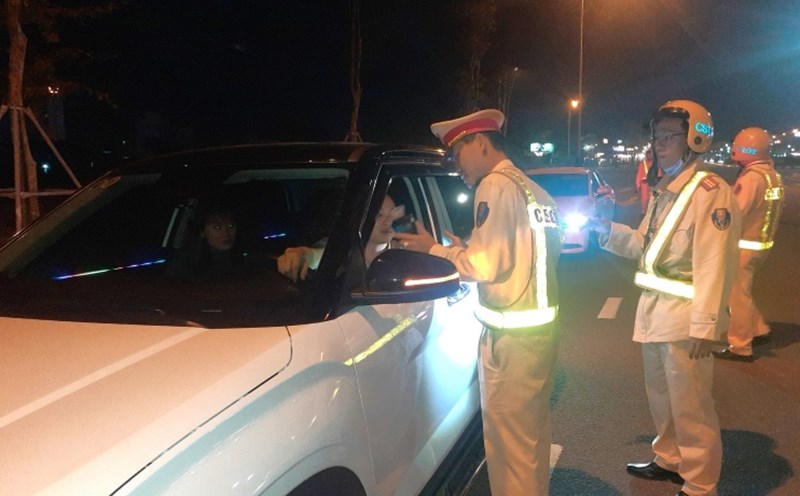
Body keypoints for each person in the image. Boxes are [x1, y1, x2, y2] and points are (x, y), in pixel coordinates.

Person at [395, 109, 562, 496]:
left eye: (457, 154)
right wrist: (465, 246)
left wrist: (434, 249)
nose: (455, 167)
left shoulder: (494, 187)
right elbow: (528, 254)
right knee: (530, 441)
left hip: (510, 341)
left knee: (509, 451)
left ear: (481, 143)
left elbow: (484, 266)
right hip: (538, 334)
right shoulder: (533, 190)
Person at [586, 100, 740, 496]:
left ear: (694, 139)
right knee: (661, 397)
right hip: (654, 311)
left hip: (686, 318)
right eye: (657, 135)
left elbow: (714, 262)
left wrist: (708, 325)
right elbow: (644, 246)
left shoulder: (710, 192)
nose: (660, 143)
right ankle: (669, 458)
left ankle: (701, 482)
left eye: (670, 135)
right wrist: (606, 228)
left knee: (691, 405)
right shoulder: (664, 191)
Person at [713, 127, 784, 362]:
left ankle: (740, 346)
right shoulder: (771, 175)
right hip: (761, 245)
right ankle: (759, 330)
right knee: (742, 291)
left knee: (736, 296)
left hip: (745, 246)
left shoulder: (751, 178)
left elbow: (736, 212)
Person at [276, 195, 404, 282]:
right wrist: (298, 254)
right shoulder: (341, 247)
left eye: (393, 213)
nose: (388, 221)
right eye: (379, 214)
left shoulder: (403, 252)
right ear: (359, 218)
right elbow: (316, 254)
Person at [166, 199, 246, 281]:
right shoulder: (185, 262)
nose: (226, 233)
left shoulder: (245, 259)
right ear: (202, 231)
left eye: (230, 226)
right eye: (217, 227)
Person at [635, 148, 658, 215]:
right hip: (645, 183)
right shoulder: (643, 163)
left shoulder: (655, 163)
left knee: (653, 198)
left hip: (653, 183)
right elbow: (639, 174)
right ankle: (644, 212)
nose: (648, 156)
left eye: (650, 154)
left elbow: (659, 172)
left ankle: (651, 212)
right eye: (647, 155)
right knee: (644, 199)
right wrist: (638, 185)